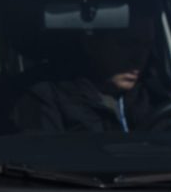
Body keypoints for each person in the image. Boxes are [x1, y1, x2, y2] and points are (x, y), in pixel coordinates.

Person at [14, 21, 153, 131]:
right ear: (91, 44)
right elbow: (43, 159)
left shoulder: (153, 95)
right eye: (127, 44)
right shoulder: (46, 96)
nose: (139, 59)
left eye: (146, 46)